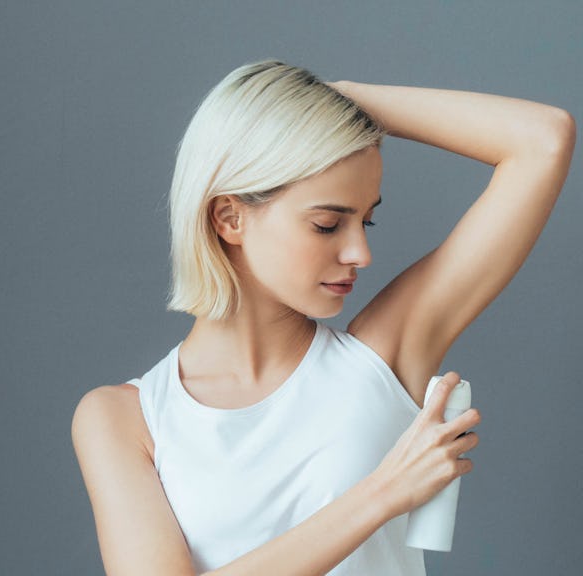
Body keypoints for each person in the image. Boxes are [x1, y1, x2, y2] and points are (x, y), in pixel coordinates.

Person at [71, 61, 575, 575]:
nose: (360, 252)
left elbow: (543, 139)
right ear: (229, 217)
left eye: (367, 220)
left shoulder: (383, 358)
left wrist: (339, 100)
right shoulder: (124, 419)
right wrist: (385, 493)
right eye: (327, 224)